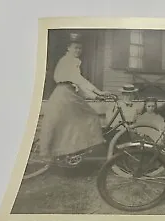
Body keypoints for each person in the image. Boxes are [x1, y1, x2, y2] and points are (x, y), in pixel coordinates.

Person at [39, 33, 112, 164]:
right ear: (68, 48)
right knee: (91, 117)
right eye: (75, 48)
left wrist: (95, 95)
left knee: (69, 125)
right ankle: (86, 147)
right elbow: (79, 81)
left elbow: (77, 85)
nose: (78, 50)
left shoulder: (70, 61)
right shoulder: (69, 61)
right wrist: (98, 92)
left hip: (66, 94)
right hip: (66, 95)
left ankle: (73, 153)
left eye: (80, 48)